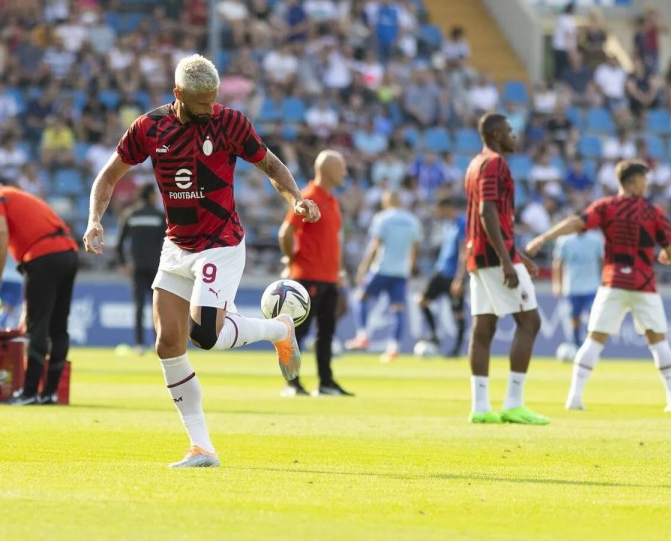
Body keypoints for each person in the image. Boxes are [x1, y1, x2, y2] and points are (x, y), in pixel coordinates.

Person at [82, 54, 320, 468]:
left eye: (214, 100)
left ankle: (278, 330)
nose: (210, 108)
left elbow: (271, 164)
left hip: (220, 241)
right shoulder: (148, 127)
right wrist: (95, 220)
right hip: (177, 246)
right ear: (178, 95)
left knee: (204, 335)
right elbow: (108, 176)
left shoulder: (230, 122)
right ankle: (201, 447)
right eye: (202, 102)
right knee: (167, 342)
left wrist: (296, 199)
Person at [527, 160, 671, 412]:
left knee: (594, 341)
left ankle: (574, 398)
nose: (646, 184)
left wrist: (544, 238)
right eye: (644, 179)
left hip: (614, 284)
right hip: (643, 285)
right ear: (633, 182)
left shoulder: (607, 207)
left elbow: (576, 222)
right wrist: (666, 256)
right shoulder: (653, 212)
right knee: (659, 342)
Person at [463, 113, 549, 425]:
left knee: (483, 329)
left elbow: (482, 215)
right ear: (497, 135)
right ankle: (514, 403)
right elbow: (487, 212)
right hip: (493, 256)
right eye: (510, 132)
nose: (514, 137)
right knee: (530, 321)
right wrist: (505, 259)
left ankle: (481, 407)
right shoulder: (495, 163)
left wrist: (515, 254)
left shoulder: (474, 164)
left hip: (478, 254)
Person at [0, 182, 79, 406]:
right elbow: (5, 234)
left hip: (42, 258)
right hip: (68, 254)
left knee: (36, 327)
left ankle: (29, 392)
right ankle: (50, 393)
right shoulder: (21, 198)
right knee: (58, 327)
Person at [279, 150, 351, 396]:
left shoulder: (332, 200)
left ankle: (326, 383)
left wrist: (339, 271)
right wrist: (291, 262)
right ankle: (292, 383)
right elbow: (286, 232)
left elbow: (334, 240)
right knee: (298, 333)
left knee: (326, 333)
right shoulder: (308, 197)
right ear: (328, 169)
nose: (345, 171)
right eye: (341, 166)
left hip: (329, 277)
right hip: (306, 276)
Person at [345, 189, 423, 363]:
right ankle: (394, 348)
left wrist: (363, 267)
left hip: (381, 269)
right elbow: (415, 247)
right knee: (398, 310)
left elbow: (375, 245)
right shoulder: (412, 220)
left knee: (361, 297)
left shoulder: (382, 218)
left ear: (386, 201)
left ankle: (362, 335)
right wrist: (410, 267)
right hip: (401, 272)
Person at [116, 183, 166, 354]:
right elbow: (168, 243)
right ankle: (157, 342)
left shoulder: (130, 215)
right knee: (157, 307)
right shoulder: (160, 216)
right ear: (151, 195)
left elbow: (120, 243)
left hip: (136, 267)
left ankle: (139, 345)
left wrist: (123, 263)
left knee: (138, 306)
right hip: (156, 267)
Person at [417, 196, 467, 357]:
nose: (437, 213)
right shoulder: (447, 225)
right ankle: (434, 335)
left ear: (448, 208)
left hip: (454, 275)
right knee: (422, 300)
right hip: (440, 271)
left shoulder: (462, 223)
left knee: (457, 313)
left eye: (439, 209)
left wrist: (460, 278)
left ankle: (457, 350)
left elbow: (464, 252)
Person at [551, 230, 604, 347]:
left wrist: (605, 281)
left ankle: (591, 344)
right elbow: (558, 263)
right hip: (572, 287)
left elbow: (602, 261)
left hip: (592, 286)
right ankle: (576, 344)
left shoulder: (596, 239)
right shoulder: (565, 240)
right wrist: (557, 284)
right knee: (575, 317)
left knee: (593, 316)